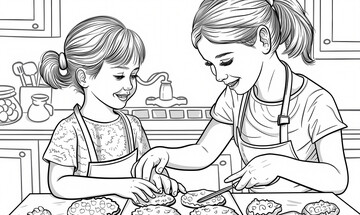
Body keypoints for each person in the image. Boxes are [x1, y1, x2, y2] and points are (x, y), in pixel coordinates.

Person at [134, 0, 349, 194]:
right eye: (211, 64)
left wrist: (278, 165)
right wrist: (165, 154)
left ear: (263, 40)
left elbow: (337, 178)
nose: (219, 76)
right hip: (255, 214)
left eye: (226, 62)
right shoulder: (235, 96)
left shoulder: (315, 101)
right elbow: (205, 151)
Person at [41, 16, 184, 202]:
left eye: (133, 75)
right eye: (119, 76)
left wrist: (157, 179)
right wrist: (118, 186)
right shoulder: (69, 129)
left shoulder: (132, 125)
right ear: (84, 78)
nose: (129, 86)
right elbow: (59, 184)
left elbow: (147, 170)